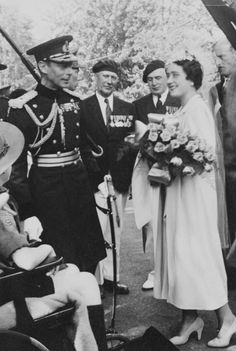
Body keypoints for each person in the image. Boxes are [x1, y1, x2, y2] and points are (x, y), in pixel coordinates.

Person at [150, 59, 236, 348]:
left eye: (175, 75)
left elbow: (206, 154)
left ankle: (227, 319)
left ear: (191, 80)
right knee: (181, 254)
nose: (169, 80)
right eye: (168, 75)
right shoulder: (182, 109)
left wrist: (175, 159)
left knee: (199, 254)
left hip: (195, 195)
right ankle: (190, 319)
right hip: (180, 193)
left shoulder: (197, 108)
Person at [0, 121, 108, 351]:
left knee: (77, 274)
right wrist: (48, 251)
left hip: (11, 284)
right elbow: (24, 261)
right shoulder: (1, 209)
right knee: (86, 283)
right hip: (11, 295)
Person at [7, 35, 106, 274]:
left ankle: (91, 305)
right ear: (42, 66)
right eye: (62, 65)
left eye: (70, 65)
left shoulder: (74, 102)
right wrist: (28, 211)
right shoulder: (23, 108)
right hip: (47, 190)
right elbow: (16, 167)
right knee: (61, 255)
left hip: (79, 185)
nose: (69, 71)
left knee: (89, 251)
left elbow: (84, 148)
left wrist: (99, 181)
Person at [81, 59, 136, 295]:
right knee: (95, 230)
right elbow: (81, 144)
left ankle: (112, 278)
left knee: (115, 229)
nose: (110, 81)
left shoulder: (127, 108)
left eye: (113, 77)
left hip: (119, 180)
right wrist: (95, 172)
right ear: (96, 78)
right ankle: (95, 282)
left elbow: (131, 143)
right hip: (95, 181)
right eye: (105, 76)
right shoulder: (83, 107)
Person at [133, 59, 180, 291]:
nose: (154, 82)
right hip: (149, 171)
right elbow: (136, 138)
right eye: (150, 79)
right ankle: (154, 271)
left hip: (176, 169)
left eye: (158, 78)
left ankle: (175, 270)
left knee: (175, 219)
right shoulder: (138, 105)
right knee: (151, 221)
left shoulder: (177, 100)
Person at [213, 37, 236, 247]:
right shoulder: (217, 89)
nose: (218, 62)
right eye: (215, 58)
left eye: (222, 56)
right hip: (225, 173)